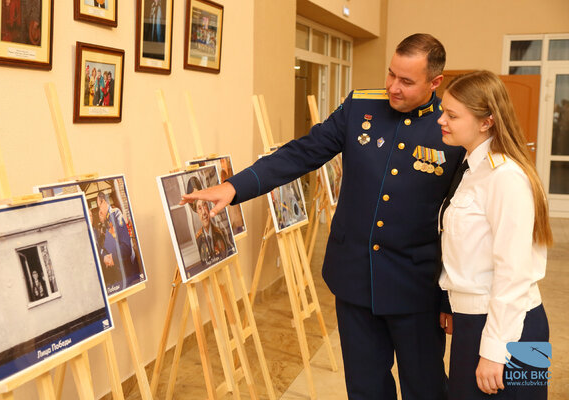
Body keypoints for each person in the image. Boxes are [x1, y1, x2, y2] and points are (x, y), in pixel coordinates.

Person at [182, 33, 465, 399]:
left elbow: (458, 224)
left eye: (407, 81)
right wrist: (235, 187)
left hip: (416, 285)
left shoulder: (451, 127)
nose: (394, 87)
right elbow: (303, 152)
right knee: (365, 388)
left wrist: (449, 298)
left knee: (425, 388)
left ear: (435, 82)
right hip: (354, 279)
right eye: (391, 74)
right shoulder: (360, 107)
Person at [437, 70, 552, 399]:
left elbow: (514, 272)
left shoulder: (505, 177)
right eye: (443, 111)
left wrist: (494, 350)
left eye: (452, 115)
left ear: (486, 121)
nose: (441, 120)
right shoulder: (474, 168)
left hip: (511, 327)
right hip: (476, 321)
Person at [97, 192, 138, 288]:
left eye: (99, 207)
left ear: (104, 203)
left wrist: (112, 257)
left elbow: (126, 248)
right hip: (120, 272)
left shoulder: (116, 214)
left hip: (130, 271)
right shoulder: (107, 220)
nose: (100, 211)